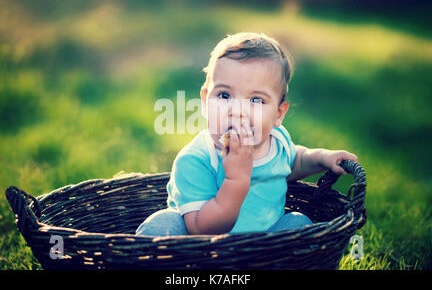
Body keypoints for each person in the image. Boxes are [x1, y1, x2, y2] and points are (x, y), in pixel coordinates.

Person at [136, 32, 358, 236]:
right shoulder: (197, 159)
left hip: (264, 247)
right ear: (205, 102)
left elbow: (293, 161)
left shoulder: (277, 143)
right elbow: (200, 229)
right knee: (163, 225)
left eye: (256, 100)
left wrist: (321, 158)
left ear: (278, 115)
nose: (237, 111)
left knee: (299, 223)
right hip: (199, 253)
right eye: (224, 95)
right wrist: (236, 180)